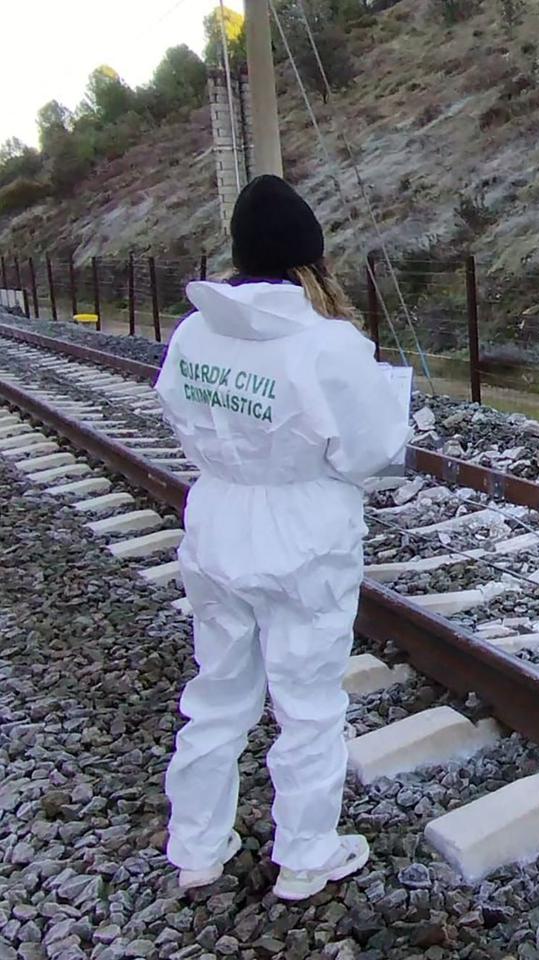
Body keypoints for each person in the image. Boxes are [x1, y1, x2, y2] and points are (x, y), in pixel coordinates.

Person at [155, 175, 410, 900]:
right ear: (311, 260)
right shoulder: (329, 344)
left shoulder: (194, 332)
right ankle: (304, 856)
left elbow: (177, 414)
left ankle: (197, 847)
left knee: (216, 691)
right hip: (304, 534)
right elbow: (372, 453)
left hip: (218, 519)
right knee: (308, 702)